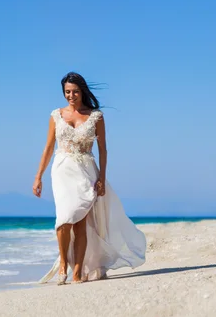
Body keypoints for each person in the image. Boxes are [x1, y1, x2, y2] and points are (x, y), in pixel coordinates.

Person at [32, 72, 146, 285]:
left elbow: (103, 149)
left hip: (86, 172)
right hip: (62, 170)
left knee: (81, 222)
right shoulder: (56, 115)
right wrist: (38, 177)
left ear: (82, 91)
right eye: (67, 92)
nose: (71, 96)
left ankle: (77, 272)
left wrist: (102, 177)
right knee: (64, 219)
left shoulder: (96, 116)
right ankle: (63, 266)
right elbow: (48, 148)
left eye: (75, 91)